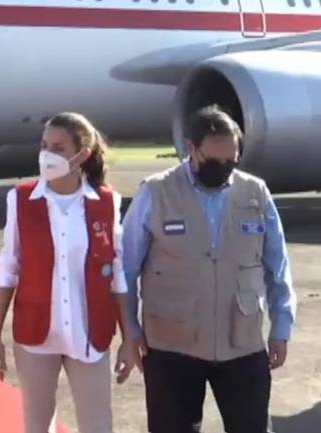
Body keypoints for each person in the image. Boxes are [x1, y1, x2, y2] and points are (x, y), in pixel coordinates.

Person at [119, 106, 297, 433]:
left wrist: (281, 326)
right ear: (191, 149)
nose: (223, 169)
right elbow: (125, 269)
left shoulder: (255, 192)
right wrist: (130, 331)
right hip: (172, 347)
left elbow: (277, 265)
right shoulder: (156, 192)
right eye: (213, 162)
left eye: (231, 162)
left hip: (241, 343)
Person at [0, 113, 133, 433]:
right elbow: (8, 268)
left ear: (82, 155)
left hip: (90, 334)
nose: (47, 154)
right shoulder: (21, 200)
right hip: (35, 335)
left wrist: (129, 336)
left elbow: (117, 271)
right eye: (43, 145)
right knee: (37, 426)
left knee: (98, 426)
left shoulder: (106, 202)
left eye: (58, 147)